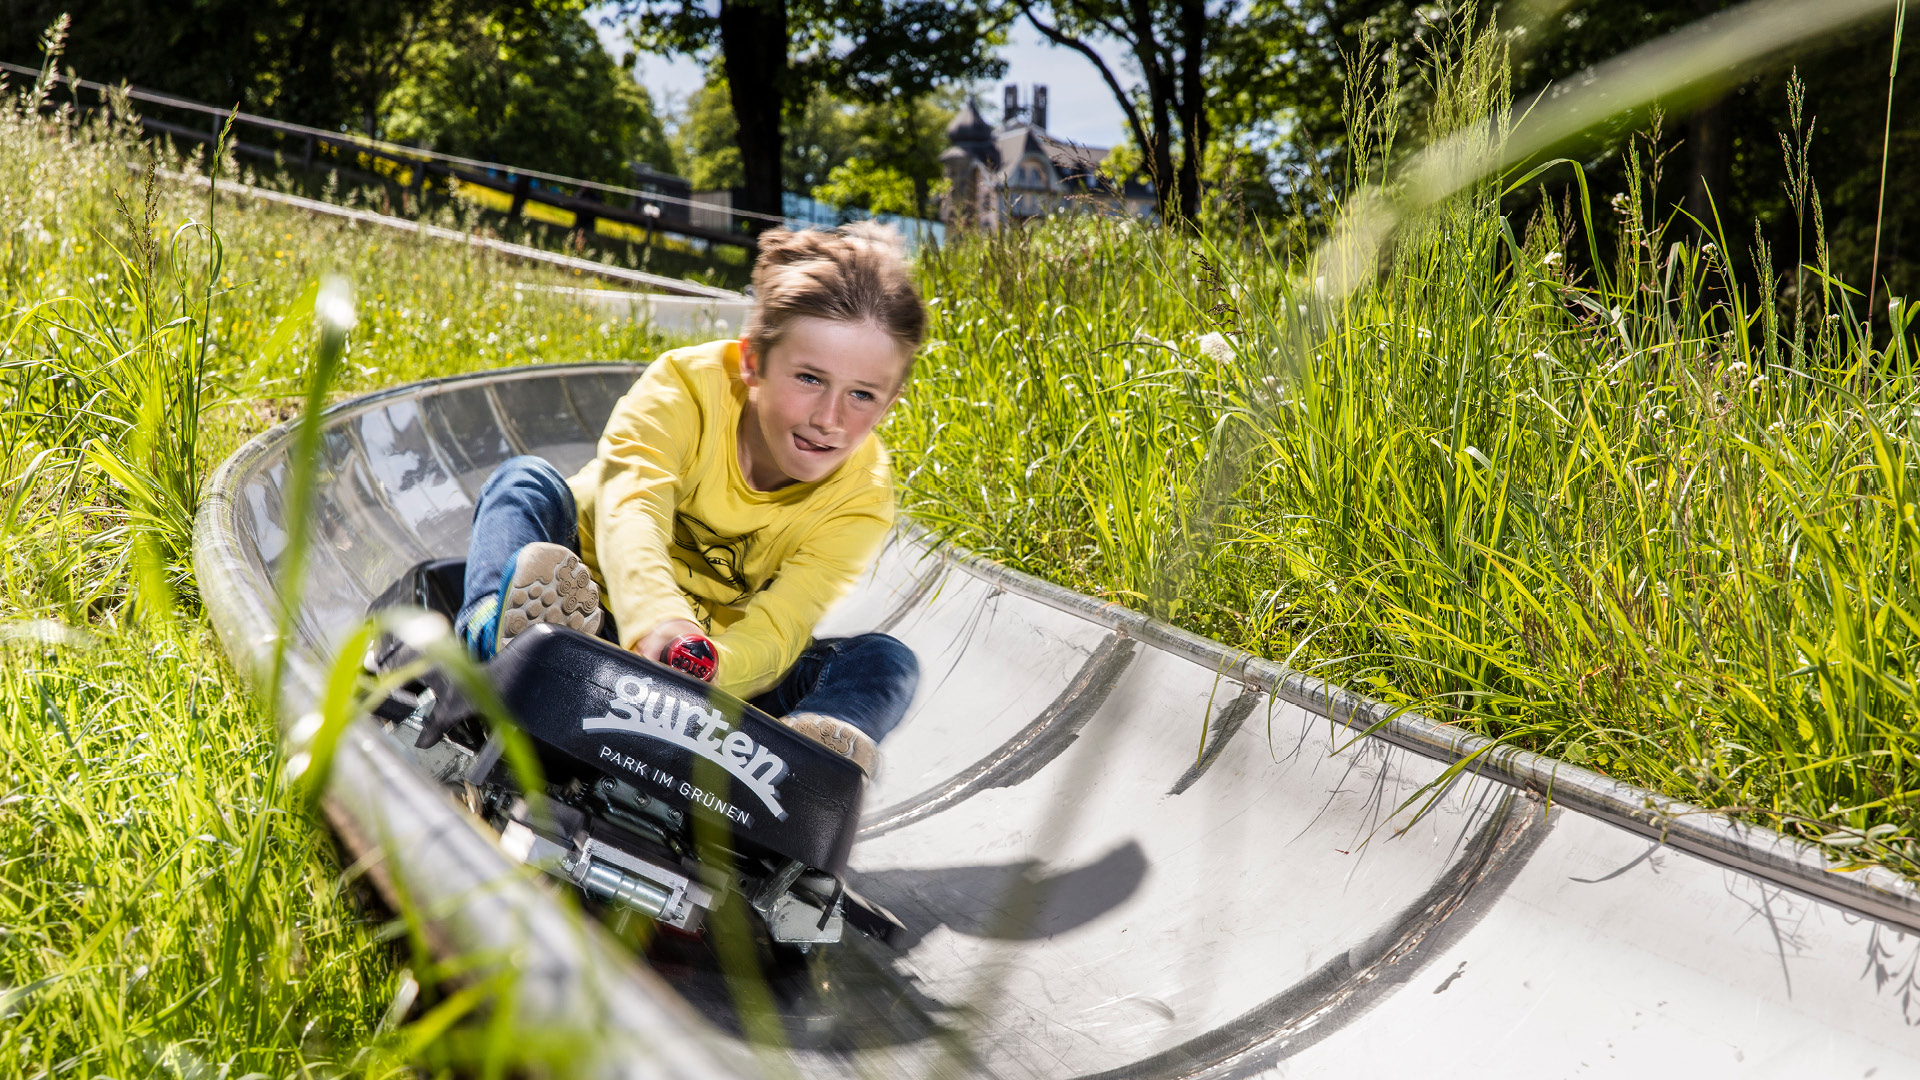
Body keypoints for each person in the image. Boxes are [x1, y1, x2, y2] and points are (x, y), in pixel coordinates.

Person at [451, 223, 922, 773]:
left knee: (886, 661)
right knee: (525, 481)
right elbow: (633, 514)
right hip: (587, 608)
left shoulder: (862, 493)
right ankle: (494, 638)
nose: (829, 419)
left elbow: (783, 624)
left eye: (862, 395)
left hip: (712, 668)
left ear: (888, 405)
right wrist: (659, 624)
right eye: (810, 379)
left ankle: (803, 766)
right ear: (753, 364)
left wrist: (708, 666)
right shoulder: (684, 386)